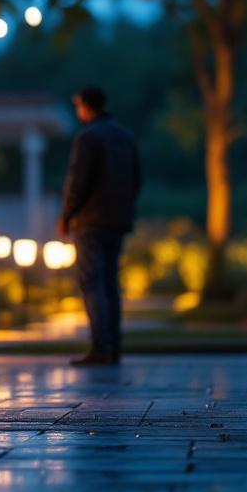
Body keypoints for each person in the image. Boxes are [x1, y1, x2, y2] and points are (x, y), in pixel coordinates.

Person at [57, 86, 141, 366]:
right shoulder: (126, 137)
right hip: (117, 221)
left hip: (90, 222)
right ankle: (113, 346)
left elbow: (78, 182)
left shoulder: (88, 138)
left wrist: (67, 214)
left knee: (92, 283)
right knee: (109, 284)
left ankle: (101, 347)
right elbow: (137, 179)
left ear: (84, 106)